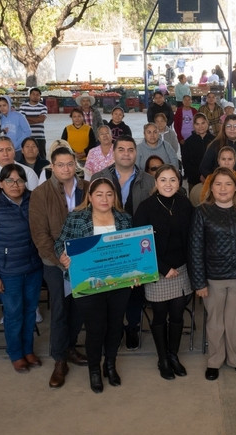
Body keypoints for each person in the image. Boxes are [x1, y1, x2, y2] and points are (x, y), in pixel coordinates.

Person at [55, 177, 133, 393]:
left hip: (119, 283)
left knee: (115, 326)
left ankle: (110, 364)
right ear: (89, 197)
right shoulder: (77, 218)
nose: (105, 198)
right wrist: (62, 256)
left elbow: (132, 251)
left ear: (115, 196)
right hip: (88, 284)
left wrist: (139, 272)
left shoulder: (124, 218)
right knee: (95, 328)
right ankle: (94, 370)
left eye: (109, 194)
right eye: (99, 194)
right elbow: (60, 243)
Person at [29, 147, 89, 389]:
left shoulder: (86, 189)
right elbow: (39, 234)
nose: (66, 168)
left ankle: (71, 347)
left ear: (76, 164)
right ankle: (59, 359)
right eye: (60, 164)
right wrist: (58, 258)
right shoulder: (41, 194)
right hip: (54, 264)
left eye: (69, 164)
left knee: (79, 307)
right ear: (52, 167)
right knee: (60, 309)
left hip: (84, 260)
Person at [190, 167, 236, 380]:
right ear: (211, 187)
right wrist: (199, 282)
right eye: (218, 184)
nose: (223, 188)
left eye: (228, 184)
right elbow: (195, 248)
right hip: (213, 277)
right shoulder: (202, 211)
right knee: (215, 322)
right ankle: (215, 360)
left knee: (235, 321)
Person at [0, 164, 43, 373]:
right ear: (0, 183)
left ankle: (28, 349)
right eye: (10, 181)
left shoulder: (33, 200)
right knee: (14, 313)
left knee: (30, 310)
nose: (15, 185)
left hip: (33, 266)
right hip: (8, 272)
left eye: (19, 180)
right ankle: (16, 353)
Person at [133, 165, 194, 380]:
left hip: (182, 269)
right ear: (156, 183)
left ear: (179, 183)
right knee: (160, 315)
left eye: (173, 180)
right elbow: (139, 244)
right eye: (163, 180)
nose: (168, 184)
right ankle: (163, 359)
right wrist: (163, 268)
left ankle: (173, 355)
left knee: (177, 315)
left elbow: (192, 238)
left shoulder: (185, 204)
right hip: (157, 270)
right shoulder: (146, 207)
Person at [96, 135, 155, 350]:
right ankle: (114, 328)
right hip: (108, 244)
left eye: (130, 150)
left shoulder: (149, 180)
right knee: (110, 289)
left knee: (135, 290)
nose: (126, 153)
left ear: (136, 153)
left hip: (137, 245)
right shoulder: (99, 177)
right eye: (121, 149)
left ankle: (132, 326)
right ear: (114, 152)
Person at [0, 137, 39, 205]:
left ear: (14, 151)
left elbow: (36, 201)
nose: (5, 154)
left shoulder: (28, 172)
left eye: (9, 150)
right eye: (1, 150)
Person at [182, 113, 214, 191]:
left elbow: (218, 161)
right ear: (193, 125)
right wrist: (199, 176)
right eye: (197, 124)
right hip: (194, 181)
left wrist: (208, 176)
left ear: (207, 123)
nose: (201, 127)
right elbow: (186, 163)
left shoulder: (215, 141)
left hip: (212, 180)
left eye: (203, 123)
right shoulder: (188, 142)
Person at [19, 87, 48, 159]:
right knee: (26, 157)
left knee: (42, 158)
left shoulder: (43, 107)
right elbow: (22, 121)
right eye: (33, 94)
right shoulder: (23, 106)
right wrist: (36, 118)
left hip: (40, 137)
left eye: (37, 95)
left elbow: (41, 119)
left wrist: (27, 119)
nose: (35, 96)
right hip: (26, 137)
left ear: (40, 97)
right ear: (30, 95)